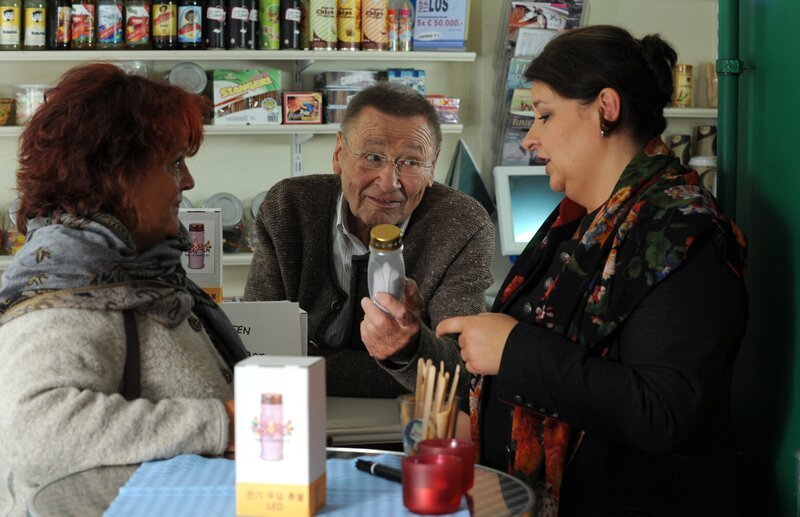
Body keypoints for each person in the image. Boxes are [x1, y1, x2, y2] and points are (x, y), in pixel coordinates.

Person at [437, 25, 748, 516]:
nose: (531, 139)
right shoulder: (577, 223)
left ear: (606, 108)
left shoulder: (683, 231)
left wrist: (514, 349)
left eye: (544, 114)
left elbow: (660, 411)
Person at [0, 63, 246, 517]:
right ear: (117, 176)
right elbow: (35, 435)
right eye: (174, 163)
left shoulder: (131, 273)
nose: (188, 181)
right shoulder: (70, 289)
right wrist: (219, 424)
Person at [244, 82, 494, 398]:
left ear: (433, 168)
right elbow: (258, 355)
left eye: (411, 163)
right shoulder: (289, 207)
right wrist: (415, 358)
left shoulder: (463, 223)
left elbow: (462, 374)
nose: (388, 183)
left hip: (407, 424)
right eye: (373, 157)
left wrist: (408, 347)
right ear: (338, 155)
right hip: (294, 414)